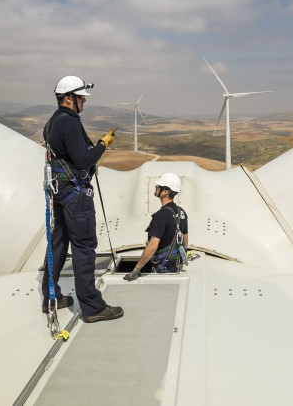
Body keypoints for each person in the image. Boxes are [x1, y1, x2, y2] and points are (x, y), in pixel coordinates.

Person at [41, 75, 123, 323]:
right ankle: (92, 306)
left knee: (58, 244)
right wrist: (102, 144)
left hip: (61, 192)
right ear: (69, 99)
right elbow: (84, 160)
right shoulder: (69, 123)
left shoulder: (52, 122)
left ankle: (50, 298)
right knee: (84, 248)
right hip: (76, 196)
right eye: (80, 98)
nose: (83, 103)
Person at [123, 173, 189, 281]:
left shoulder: (161, 215)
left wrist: (137, 269)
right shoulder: (181, 212)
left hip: (161, 269)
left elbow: (153, 245)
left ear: (165, 191)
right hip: (175, 267)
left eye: (158, 186)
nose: (156, 188)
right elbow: (185, 241)